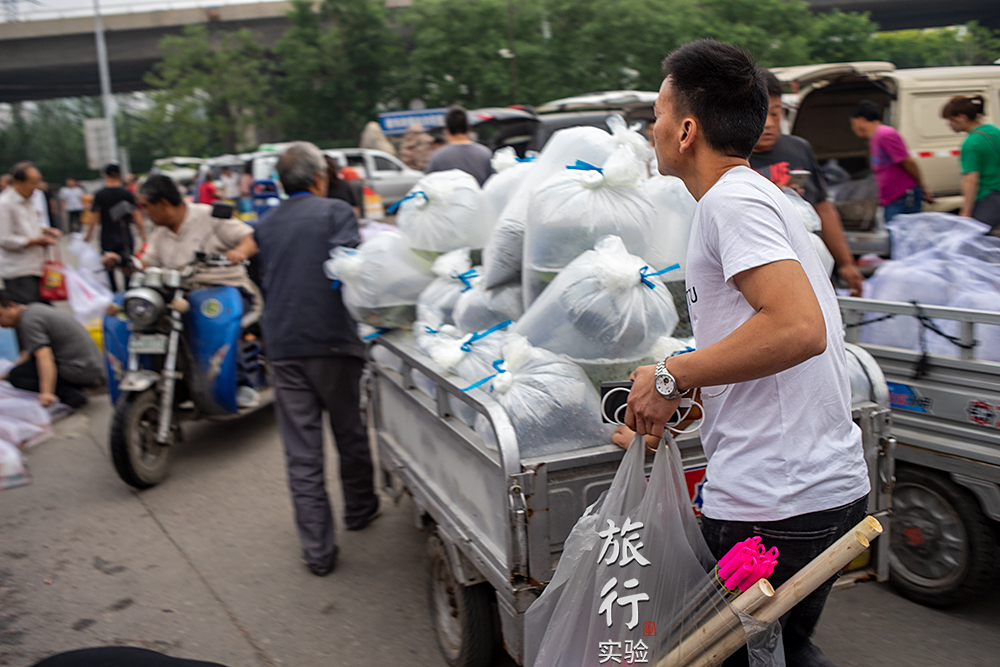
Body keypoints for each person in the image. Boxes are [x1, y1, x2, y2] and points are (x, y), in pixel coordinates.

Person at [622, 40, 870, 667]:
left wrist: (670, 374)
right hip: (815, 489)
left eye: (658, 114)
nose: (651, 129)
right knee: (783, 650)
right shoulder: (754, 196)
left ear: (686, 130)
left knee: (729, 656)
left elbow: (797, 328)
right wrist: (690, 392)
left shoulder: (730, 201)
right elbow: (765, 338)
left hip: (774, 504)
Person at [253, 142, 379, 576]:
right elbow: (350, 269)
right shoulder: (336, 212)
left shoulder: (265, 223)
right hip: (333, 341)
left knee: (302, 454)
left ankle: (317, 553)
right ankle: (359, 509)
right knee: (349, 431)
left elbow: (262, 276)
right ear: (319, 177)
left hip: (283, 344)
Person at [137, 174, 261, 408]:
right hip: (182, 296)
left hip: (226, 291)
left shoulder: (210, 216)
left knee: (214, 318)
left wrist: (240, 252)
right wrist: (124, 262)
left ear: (163, 203)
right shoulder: (160, 232)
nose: (144, 212)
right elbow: (147, 262)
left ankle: (241, 383)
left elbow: (249, 238)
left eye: (146, 206)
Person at [750, 71, 864, 296]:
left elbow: (823, 207)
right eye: (762, 114)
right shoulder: (731, 157)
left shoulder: (799, 148)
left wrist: (846, 263)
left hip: (810, 265)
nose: (770, 123)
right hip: (764, 275)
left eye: (776, 113)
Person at [0, 291, 103, 408]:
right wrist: (5, 376)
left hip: (80, 369)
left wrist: (46, 393)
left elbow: (44, 356)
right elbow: (29, 352)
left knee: (18, 376)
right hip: (90, 365)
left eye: (1, 315)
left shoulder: (29, 321)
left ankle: (71, 394)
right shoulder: (33, 310)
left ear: (12, 305)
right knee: (18, 370)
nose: (1, 323)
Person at [849, 100, 933, 222]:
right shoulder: (874, 138)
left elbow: (908, 161)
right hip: (891, 199)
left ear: (860, 120)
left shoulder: (885, 134)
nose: (853, 128)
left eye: (853, 123)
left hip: (902, 197)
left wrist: (922, 186)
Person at [0, 162, 61, 304]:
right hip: (19, 271)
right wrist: (35, 241)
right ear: (18, 182)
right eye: (33, 182)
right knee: (30, 312)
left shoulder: (28, 201)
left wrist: (46, 230)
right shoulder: (5, 204)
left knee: (44, 311)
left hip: (37, 267)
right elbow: (4, 239)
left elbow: (29, 227)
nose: (37, 187)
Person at [941, 94, 1000, 231]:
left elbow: (970, 179)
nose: (949, 124)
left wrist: (965, 212)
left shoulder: (971, 143)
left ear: (962, 117)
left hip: (987, 196)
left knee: (972, 235)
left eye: (951, 120)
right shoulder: (993, 131)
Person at [85, 164, 148, 290]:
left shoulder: (100, 195)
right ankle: (128, 292)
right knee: (128, 266)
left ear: (105, 176)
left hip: (107, 235)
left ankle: (113, 293)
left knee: (108, 266)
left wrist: (88, 235)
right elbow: (137, 216)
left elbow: (94, 217)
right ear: (119, 175)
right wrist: (143, 235)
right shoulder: (127, 194)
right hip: (125, 236)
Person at [424, 106, 494, 186]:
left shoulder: (437, 156)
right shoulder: (485, 153)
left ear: (447, 130)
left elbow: (428, 184)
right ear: (468, 129)